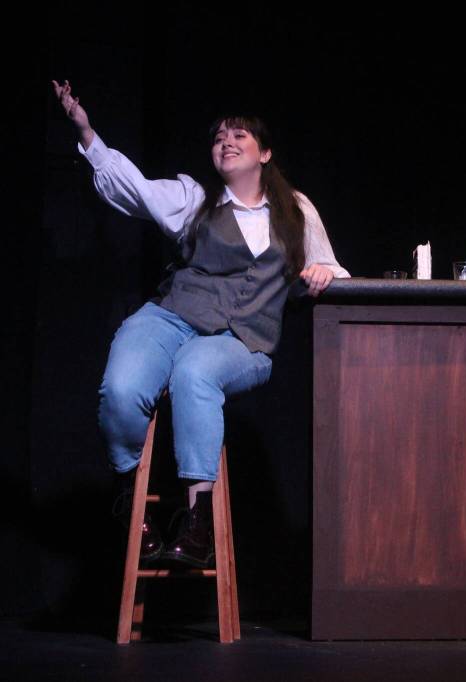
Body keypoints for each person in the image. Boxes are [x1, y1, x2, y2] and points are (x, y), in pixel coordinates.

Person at [52, 80, 350, 567]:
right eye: (219, 138)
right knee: (122, 388)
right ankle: (129, 496)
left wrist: (321, 274)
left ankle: (197, 522)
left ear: (266, 153)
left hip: (244, 340)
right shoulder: (195, 200)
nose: (226, 143)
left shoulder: (296, 211)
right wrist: (87, 134)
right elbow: (136, 190)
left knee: (195, 372)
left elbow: (330, 270)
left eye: (239, 137)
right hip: (172, 316)